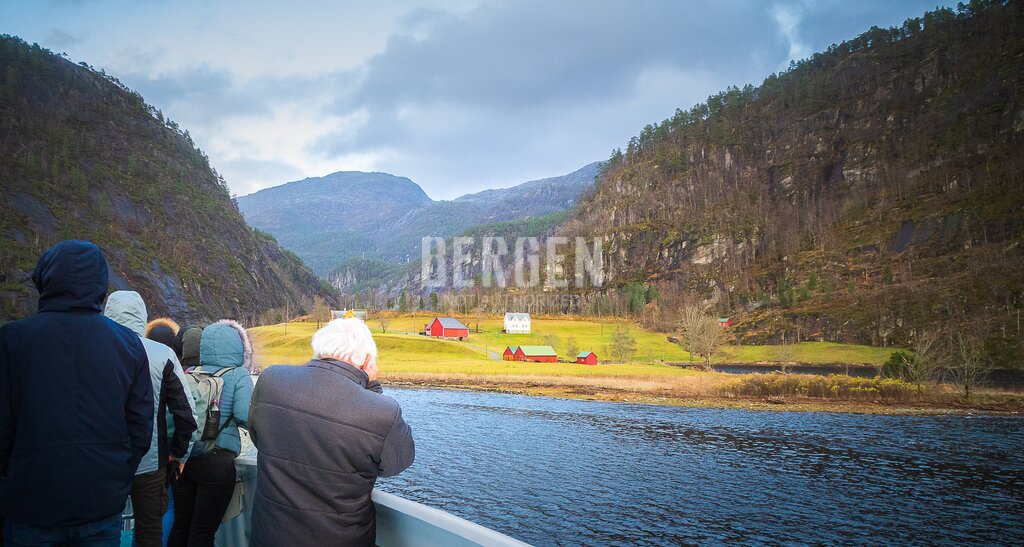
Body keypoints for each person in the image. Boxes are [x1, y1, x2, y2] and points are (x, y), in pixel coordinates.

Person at [0, 240, 154, 546]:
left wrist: (13, 478)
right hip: (100, 502)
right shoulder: (128, 344)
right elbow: (140, 426)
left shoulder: (11, 341)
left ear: (45, 278)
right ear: (99, 282)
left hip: (30, 503)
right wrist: (117, 478)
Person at [248, 318, 415, 547]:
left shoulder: (271, 379)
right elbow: (398, 463)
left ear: (320, 348)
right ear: (366, 360)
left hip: (268, 536)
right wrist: (372, 388)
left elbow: (258, 437)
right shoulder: (382, 411)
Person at [104, 294, 198, 547]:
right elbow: (187, 415)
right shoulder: (163, 354)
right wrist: (178, 455)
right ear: (142, 316)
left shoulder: (94, 349)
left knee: (103, 529)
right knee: (149, 532)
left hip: (103, 462)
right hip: (151, 462)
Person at [168, 320, 253, 547]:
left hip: (184, 458)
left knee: (181, 525)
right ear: (238, 346)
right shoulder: (238, 375)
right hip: (217, 462)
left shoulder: (189, 371)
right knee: (202, 532)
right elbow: (246, 415)